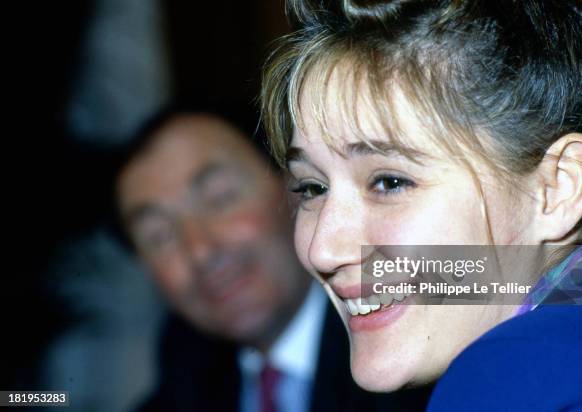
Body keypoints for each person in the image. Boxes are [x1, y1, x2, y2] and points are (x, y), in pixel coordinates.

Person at [260, 0, 582, 410]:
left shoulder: (511, 376)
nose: (323, 249)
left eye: (389, 183)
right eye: (312, 189)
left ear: (557, 188)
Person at [115, 104, 432, 412]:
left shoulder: (413, 319)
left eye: (220, 198)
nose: (200, 251)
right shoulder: (188, 367)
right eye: (159, 236)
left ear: (293, 184)